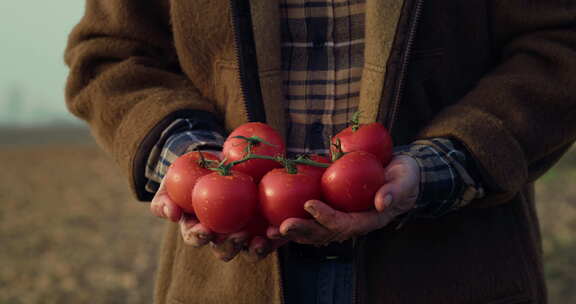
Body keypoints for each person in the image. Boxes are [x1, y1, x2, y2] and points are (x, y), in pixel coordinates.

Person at [64, 0, 576, 303]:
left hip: (452, 269)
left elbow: (560, 43)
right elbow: (112, 54)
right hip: (226, 282)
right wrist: (193, 165)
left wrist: (440, 164)